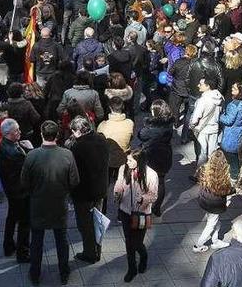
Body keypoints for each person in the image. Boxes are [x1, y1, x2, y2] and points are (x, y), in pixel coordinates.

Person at [21, 120, 80, 285]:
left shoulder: (32, 155)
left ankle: (35, 274)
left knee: (37, 242)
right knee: (61, 240)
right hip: (59, 205)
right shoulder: (67, 154)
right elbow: (74, 180)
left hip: (38, 204)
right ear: (58, 135)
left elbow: (24, 182)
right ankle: (63, 273)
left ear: (41, 134)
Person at [112, 150, 158, 283]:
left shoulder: (151, 174)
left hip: (141, 213)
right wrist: (117, 192)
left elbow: (153, 195)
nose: (128, 162)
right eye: (127, 160)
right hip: (125, 211)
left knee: (137, 242)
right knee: (128, 241)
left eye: (131, 160)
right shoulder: (123, 168)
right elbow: (119, 184)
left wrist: (142, 199)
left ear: (139, 161)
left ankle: (143, 256)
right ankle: (131, 268)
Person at [68, 115, 109, 264]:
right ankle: (97, 247)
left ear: (77, 131)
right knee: (98, 221)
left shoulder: (77, 147)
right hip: (101, 189)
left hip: (84, 194)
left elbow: (74, 173)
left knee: (85, 224)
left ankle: (90, 253)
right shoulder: (101, 139)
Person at [0, 118, 31, 263]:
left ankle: (8, 245)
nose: (20, 132)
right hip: (20, 192)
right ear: (8, 133)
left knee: (12, 217)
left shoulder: (2, 145)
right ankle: (22, 253)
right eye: (16, 130)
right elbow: (29, 165)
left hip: (11, 189)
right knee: (24, 222)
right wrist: (29, 149)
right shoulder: (15, 153)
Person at [136, 99, 173, 218]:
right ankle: (157, 208)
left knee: (147, 182)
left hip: (150, 157)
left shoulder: (152, 127)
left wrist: (146, 125)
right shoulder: (168, 124)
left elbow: (141, 135)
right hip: (165, 156)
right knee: (161, 182)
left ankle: (146, 206)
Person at [192, 150, 233, 253]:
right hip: (215, 206)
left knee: (216, 222)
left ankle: (215, 241)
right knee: (210, 225)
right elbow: (227, 191)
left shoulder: (203, 170)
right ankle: (198, 245)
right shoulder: (223, 177)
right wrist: (235, 189)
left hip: (204, 201)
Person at [219, 82, 242, 179]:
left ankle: (234, 178)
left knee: (232, 158)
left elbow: (228, 120)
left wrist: (220, 116)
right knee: (240, 155)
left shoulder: (234, 105)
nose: (232, 90)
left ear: (241, 91)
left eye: (234, 89)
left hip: (232, 133)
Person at [97, 97, 134, 187]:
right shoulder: (130, 123)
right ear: (123, 107)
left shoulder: (102, 125)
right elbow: (130, 139)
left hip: (108, 161)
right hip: (123, 159)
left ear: (110, 107)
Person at [188, 77, 224, 169]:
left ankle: (200, 174)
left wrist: (192, 125)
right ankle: (212, 172)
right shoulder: (220, 98)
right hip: (215, 128)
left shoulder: (203, 100)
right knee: (212, 152)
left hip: (203, 129)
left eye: (201, 84)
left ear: (208, 86)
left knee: (202, 153)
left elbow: (196, 117)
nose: (198, 85)